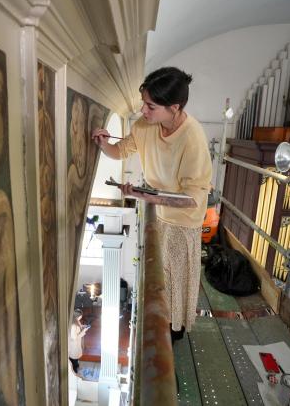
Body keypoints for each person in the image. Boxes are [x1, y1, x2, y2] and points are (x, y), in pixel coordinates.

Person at [91, 67, 212, 344]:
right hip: (158, 211)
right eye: (143, 103)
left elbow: (190, 198)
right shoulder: (145, 126)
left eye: (151, 106)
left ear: (174, 107)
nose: (143, 111)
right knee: (159, 279)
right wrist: (102, 143)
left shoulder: (193, 138)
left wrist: (144, 196)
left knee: (175, 282)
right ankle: (161, 327)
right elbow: (120, 150)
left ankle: (174, 333)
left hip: (184, 220)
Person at [68, 308, 89, 374]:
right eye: (80, 317)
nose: (81, 318)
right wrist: (83, 331)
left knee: (76, 358)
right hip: (73, 344)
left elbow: (79, 326)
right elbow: (74, 338)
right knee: (74, 358)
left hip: (77, 343)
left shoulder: (75, 320)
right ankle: (74, 371)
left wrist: (83, 326)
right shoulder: (73, 325)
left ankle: (76, 366)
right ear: (78, 316)